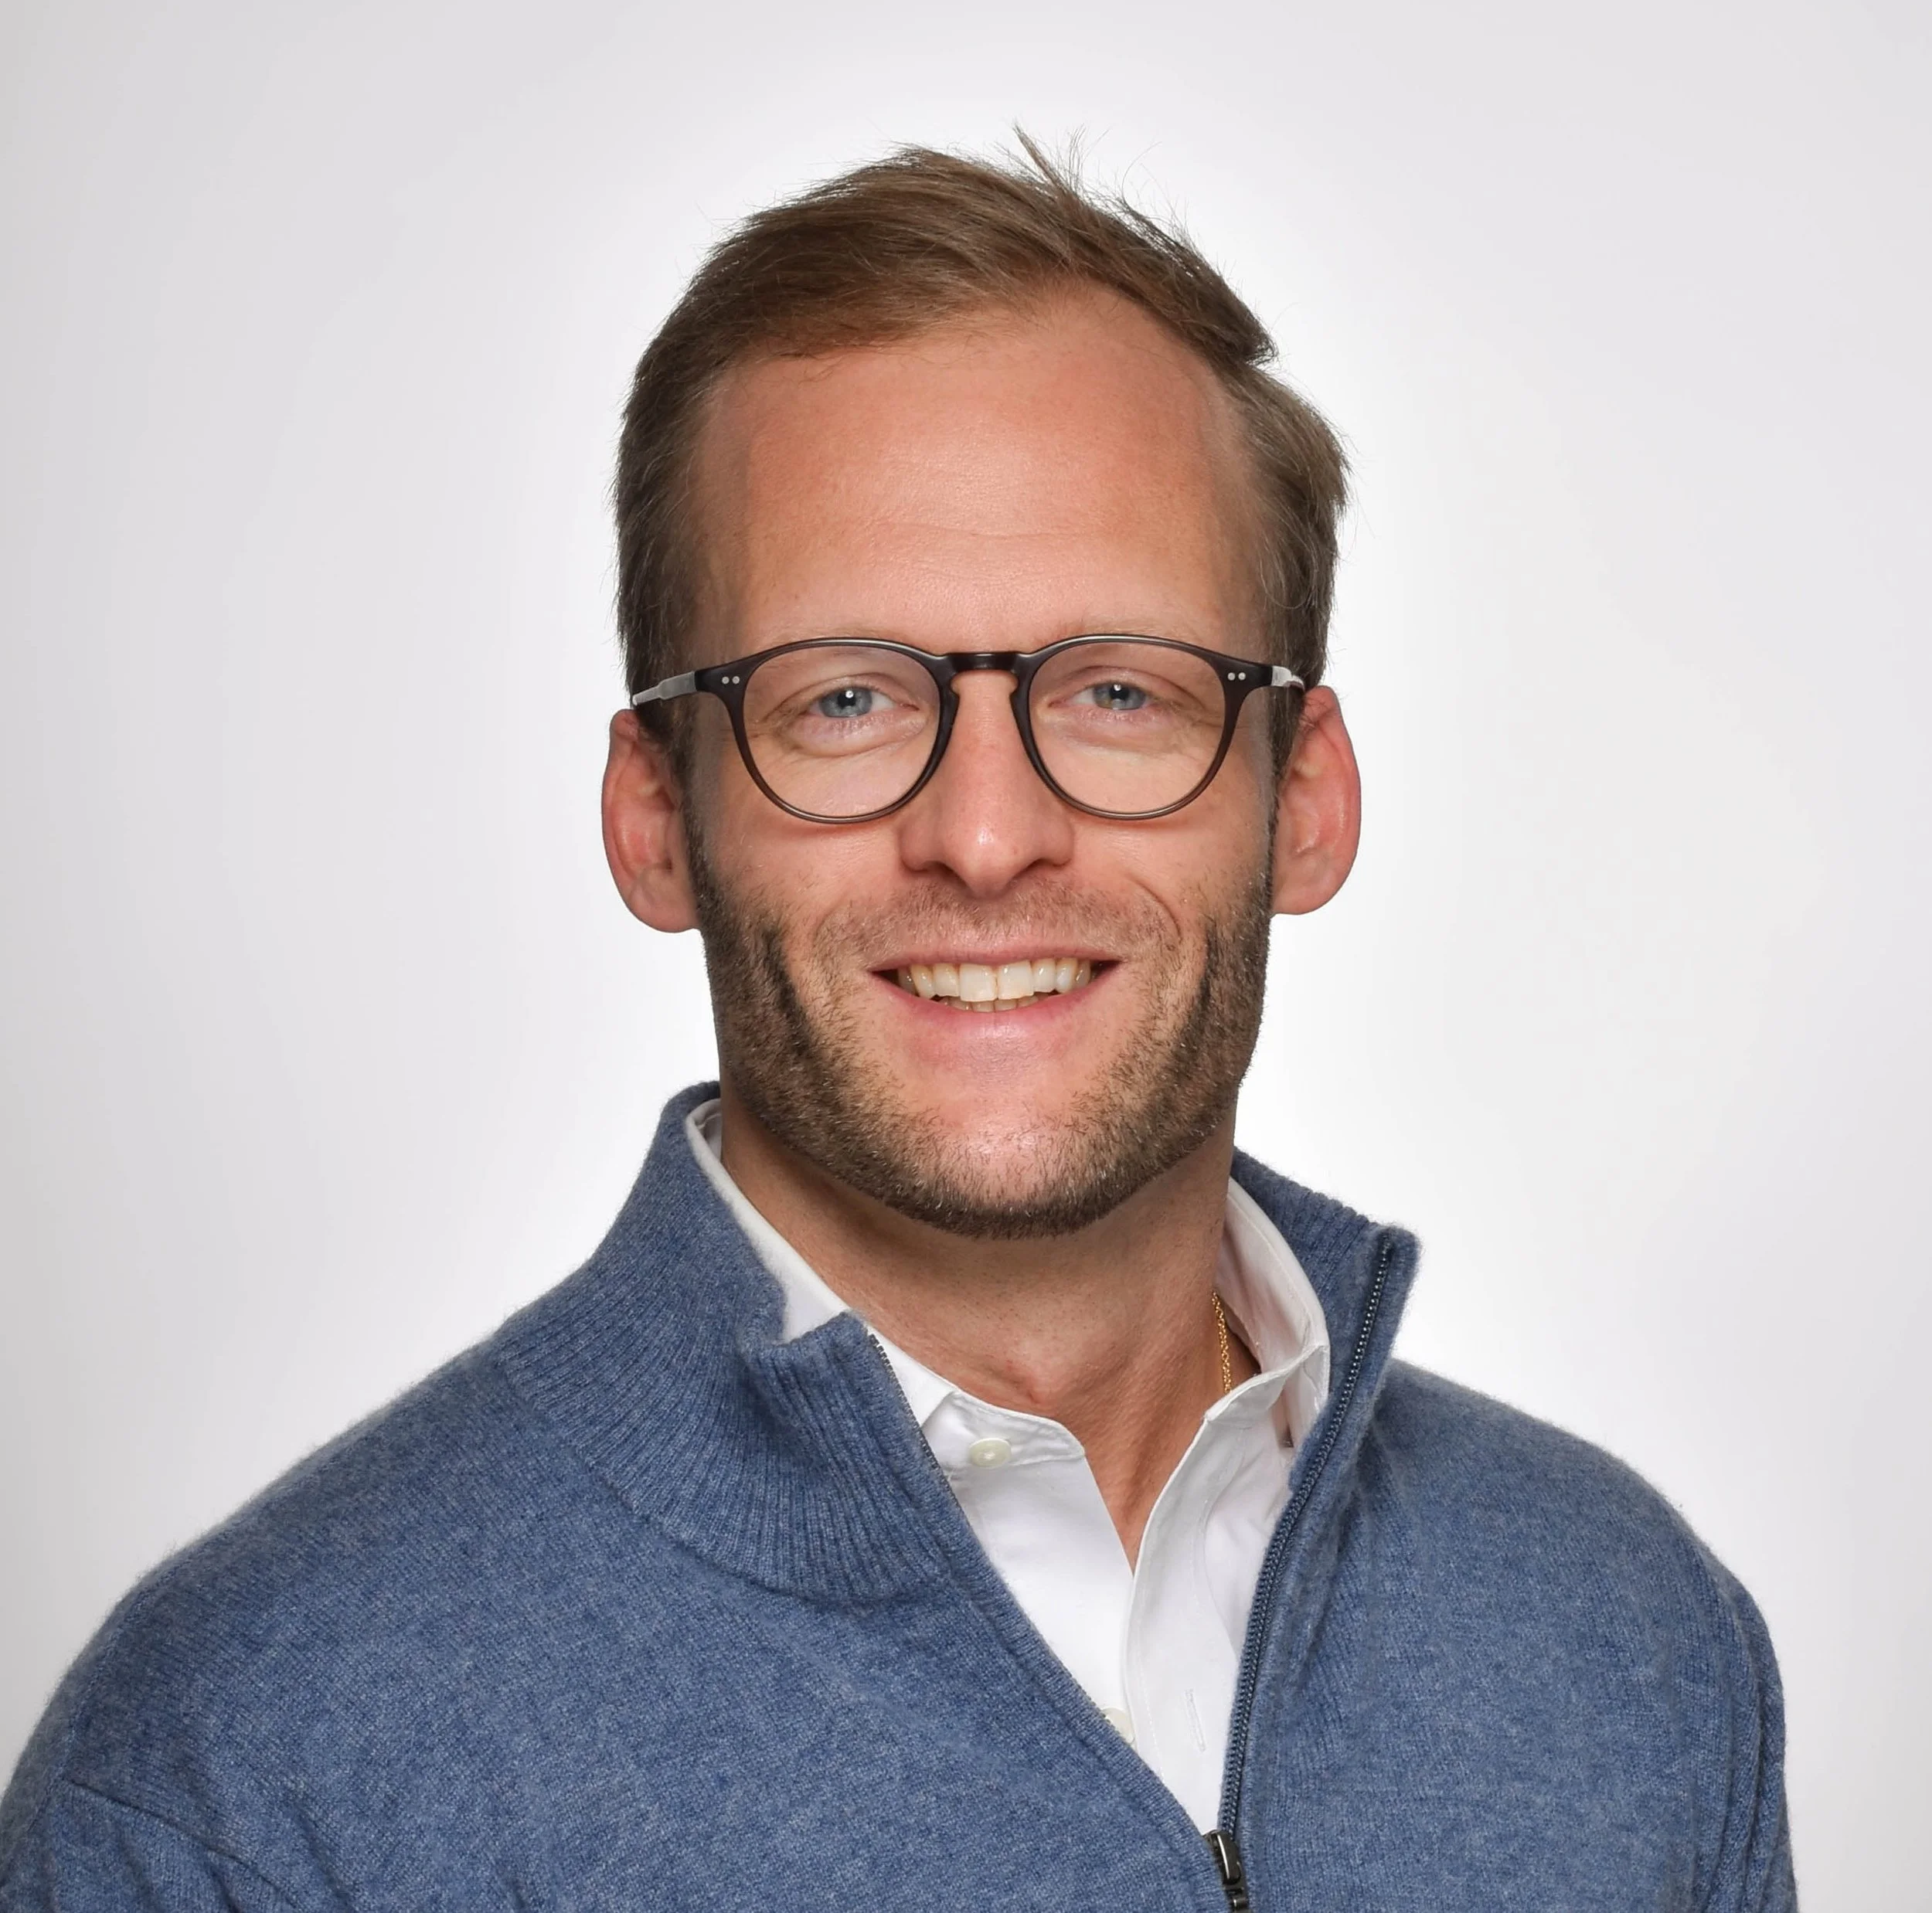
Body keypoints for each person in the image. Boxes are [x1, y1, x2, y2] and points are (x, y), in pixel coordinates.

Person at [0, 141, 1795, 1912]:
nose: (988, 833)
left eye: (1118, 689)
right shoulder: (242, 1773)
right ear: (655, 813)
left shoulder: (1629, 1637)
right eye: (846, 697)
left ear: (1301, 797)